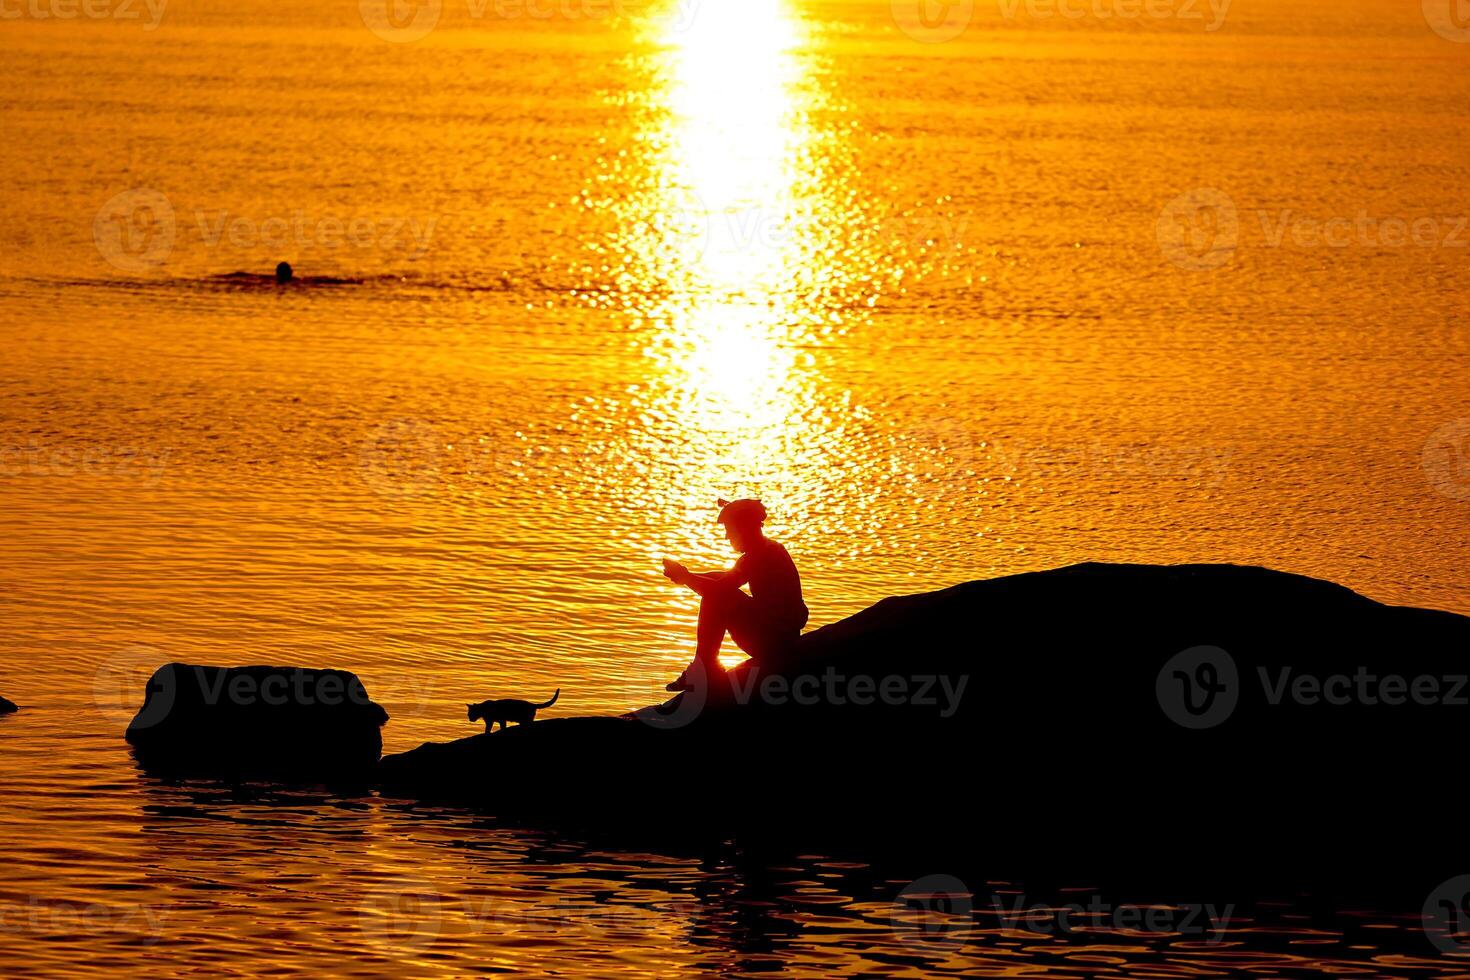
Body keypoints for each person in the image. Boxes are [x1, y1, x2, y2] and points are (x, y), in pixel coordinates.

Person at [661, 498, 808, 692]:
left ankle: (704, 669)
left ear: (744, 528)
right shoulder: (769, 549)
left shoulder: (759, 556)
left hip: (774, 642)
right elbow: (722, 581)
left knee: (718, 594)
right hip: (778, 634)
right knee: (716, 583)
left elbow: (719, 590)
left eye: (729, 530)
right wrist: (688, 576)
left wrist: (687, 578)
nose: (726, 537)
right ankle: (705, 667)